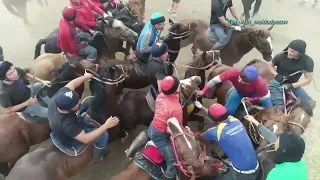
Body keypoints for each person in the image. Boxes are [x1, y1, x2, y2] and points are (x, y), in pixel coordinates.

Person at [47, 72, 119, 162]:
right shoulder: (67, 124)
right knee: (103, 135)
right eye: (76, 103)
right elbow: (86, 139)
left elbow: (72, 84)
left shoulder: (59, 98)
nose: (79, 102)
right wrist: (106, 125)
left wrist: (85, 77)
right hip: (70, 140)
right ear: (69, 109)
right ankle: (99, 153)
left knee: (85, 105)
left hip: (69, 119)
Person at [194, 102, 260, 180]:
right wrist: (201, 107)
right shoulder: (236, 121)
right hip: (256, 166)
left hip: (242, 174)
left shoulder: (215, 132)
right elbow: (218, 117)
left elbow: (199, 137)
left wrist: (190, 134)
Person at [244, 115, 308, 180]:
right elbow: (271, 137)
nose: (276, 140)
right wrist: (254, 121)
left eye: (278, 140)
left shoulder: (276, 175)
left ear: (282, 149)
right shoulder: (299, 160)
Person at [196, 65, 272, 116]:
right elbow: (215, 80)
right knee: (227, 112)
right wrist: (204, 91)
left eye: (244, 81)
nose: (239, 81)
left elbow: (266, 96)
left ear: (252, 81)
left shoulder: (261, 84)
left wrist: (252, 99)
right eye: (240, 77)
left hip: (255, 95)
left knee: (271, 111)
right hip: (239, 93)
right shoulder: (233, 72)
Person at [147, 75, 183, 179]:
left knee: (147, 133)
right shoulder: (176, 109)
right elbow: (178, 130)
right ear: (175, 89)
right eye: (178, 84)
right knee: (173, 162)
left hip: (152, 126)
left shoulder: (160, 96)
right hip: (160, 135)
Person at [267, 39, 316, 111]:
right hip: (277, 83)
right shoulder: (281, 56)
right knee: (280, 109)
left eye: (293, 52)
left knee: (310, 104)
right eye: (289, 49)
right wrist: (276, 75)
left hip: (293, 84)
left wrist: (293, 85)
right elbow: (270, 65)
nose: (289, 53)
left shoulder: (307, 61)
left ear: (299, 53)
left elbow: (308, 79)